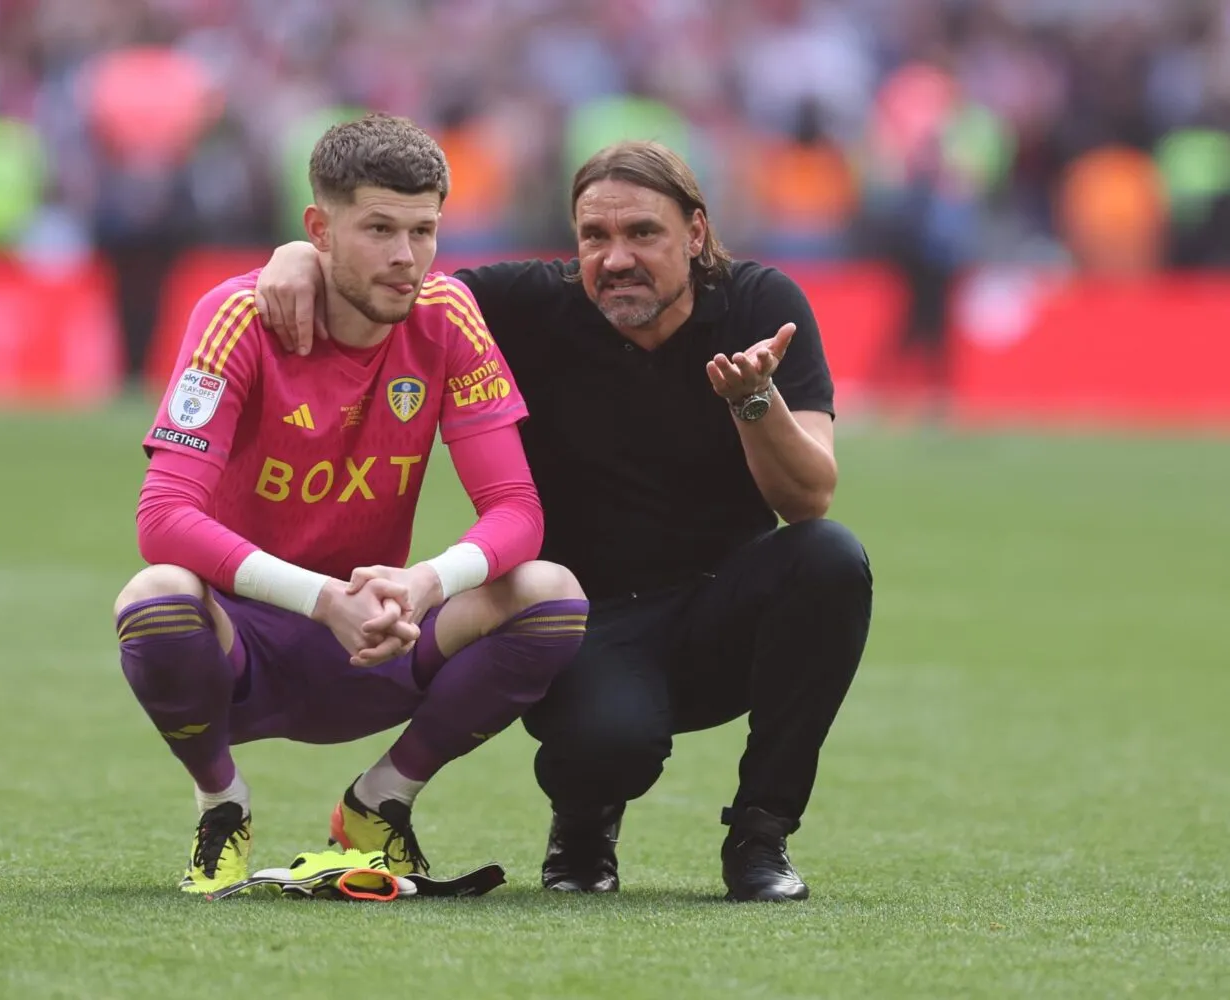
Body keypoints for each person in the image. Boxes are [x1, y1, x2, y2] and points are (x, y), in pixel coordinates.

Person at [254, 140, 873, 903]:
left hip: (722, 612)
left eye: (642, 233)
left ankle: (760, 835)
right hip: (585, 618)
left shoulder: (759, 306)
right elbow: (393, 283)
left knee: (830, 558)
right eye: (594, 236)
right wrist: (298, 256)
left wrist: (752, 400)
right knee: (606, 746)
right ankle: (583, 821)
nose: (616, 258)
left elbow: (807, 500)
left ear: (696, 233)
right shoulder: (524, 305)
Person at [113, 113, 588, 896]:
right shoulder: (237, 317)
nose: (406, 257)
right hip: (243, 646)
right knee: (154, 596)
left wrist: (424, 583)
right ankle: (221, 804)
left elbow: (517, 510)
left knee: (551, 591)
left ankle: (381, 801)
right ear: (319, 231)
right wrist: (322, 598)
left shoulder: (446, 316)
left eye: (423, 231)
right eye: (378, 229)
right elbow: (161, 518)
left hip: (377, 634)